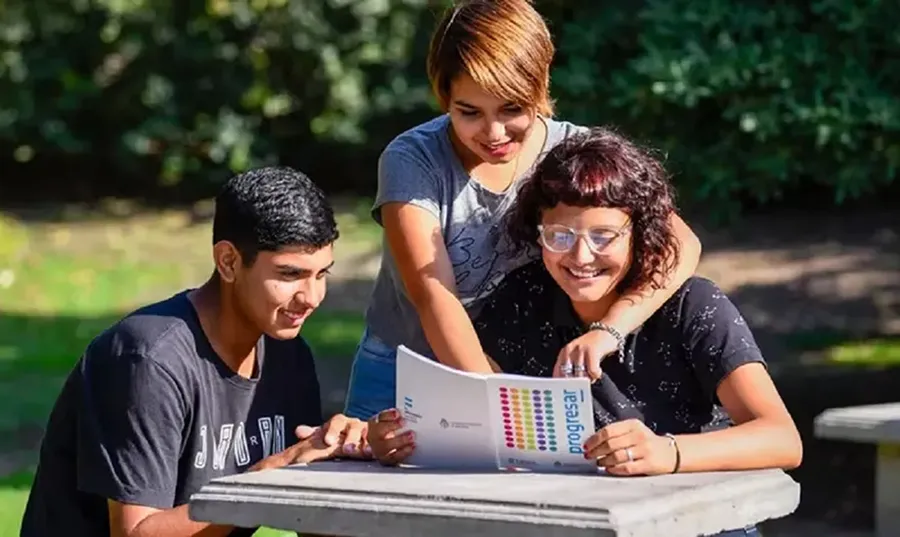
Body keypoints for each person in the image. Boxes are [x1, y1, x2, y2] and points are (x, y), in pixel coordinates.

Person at [366, 127, 802, 537]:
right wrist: (404, 440)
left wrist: (667, 452)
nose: (580, 255)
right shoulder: (522, 299)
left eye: (604, 236)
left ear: (641, 233)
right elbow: (475, 421)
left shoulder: (694, 305)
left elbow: (783, 438)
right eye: (559, 235)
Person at [343, 0, 703, 420]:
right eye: (469, 112)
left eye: (512, 108)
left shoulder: (572, 151)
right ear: (444, 98)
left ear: (540, 87)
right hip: (407, 366)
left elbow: (682, 244)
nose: (494, 133)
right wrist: (495, 410)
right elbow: (434, 298)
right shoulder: (412, 160)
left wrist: (610, 330)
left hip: (525, 366)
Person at [20, 167, 370, 537]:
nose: (311, 298)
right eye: (289, 275)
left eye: (322, 275)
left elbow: (306, 518)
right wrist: (269, 479)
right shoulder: (147, 360)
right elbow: (136, 534)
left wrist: (346, 459)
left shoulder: (289, 355)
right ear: (229, 262)